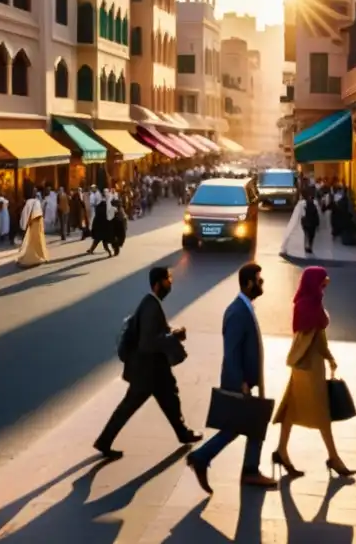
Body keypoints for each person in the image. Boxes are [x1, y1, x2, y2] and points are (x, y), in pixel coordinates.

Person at [93, 266, 202, 459]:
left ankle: (182, 433)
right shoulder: (151, 306)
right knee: (129, 406)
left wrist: (170, 334)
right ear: (158, 283)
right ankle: (104, 441)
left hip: (155, 369)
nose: (171, 282)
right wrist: (174, 336)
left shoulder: (150, 303)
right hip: (147, 371)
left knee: (170, 398)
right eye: (168, 279)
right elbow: (148, 342)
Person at [187, 263, 277, 492]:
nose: (262, 283)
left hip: (245, 381)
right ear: (248, 283)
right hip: (239, 382)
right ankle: (204, 457)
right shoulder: (238, 312)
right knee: (243, 425)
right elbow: (231, 351)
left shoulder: (244, 307)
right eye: (259, 280)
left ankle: (248, 469)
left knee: (251, 423)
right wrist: (241, 383)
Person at [272, 266, 356, 479]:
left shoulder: (306, 302)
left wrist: (328, 357)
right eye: (321, 283)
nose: (324, 286)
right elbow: (317, 338)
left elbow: (317, 334)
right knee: (322, 413)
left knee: (292, 409)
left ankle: (281, 451)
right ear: (313, 283)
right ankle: (334, 459)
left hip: (303, 366)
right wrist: (329, 357)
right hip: (310, 367)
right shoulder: (309, 305)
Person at [16, 196, 48, 268]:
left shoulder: (29, 203)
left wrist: (23, 226)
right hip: (39, 222)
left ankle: (34, 257)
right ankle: (42, 256)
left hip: (33, 223)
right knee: (39, 240)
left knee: (32, 241)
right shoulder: (37, 201)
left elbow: (25, 215)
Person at [87, 190, 114, 256]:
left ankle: (92, 250)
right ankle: (109, 252)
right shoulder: (108, 207)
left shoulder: (98, 207)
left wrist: (94, 226)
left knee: (96, 240)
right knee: (104, 242)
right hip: (105, 228)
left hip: (99, 227)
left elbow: (96, 217)